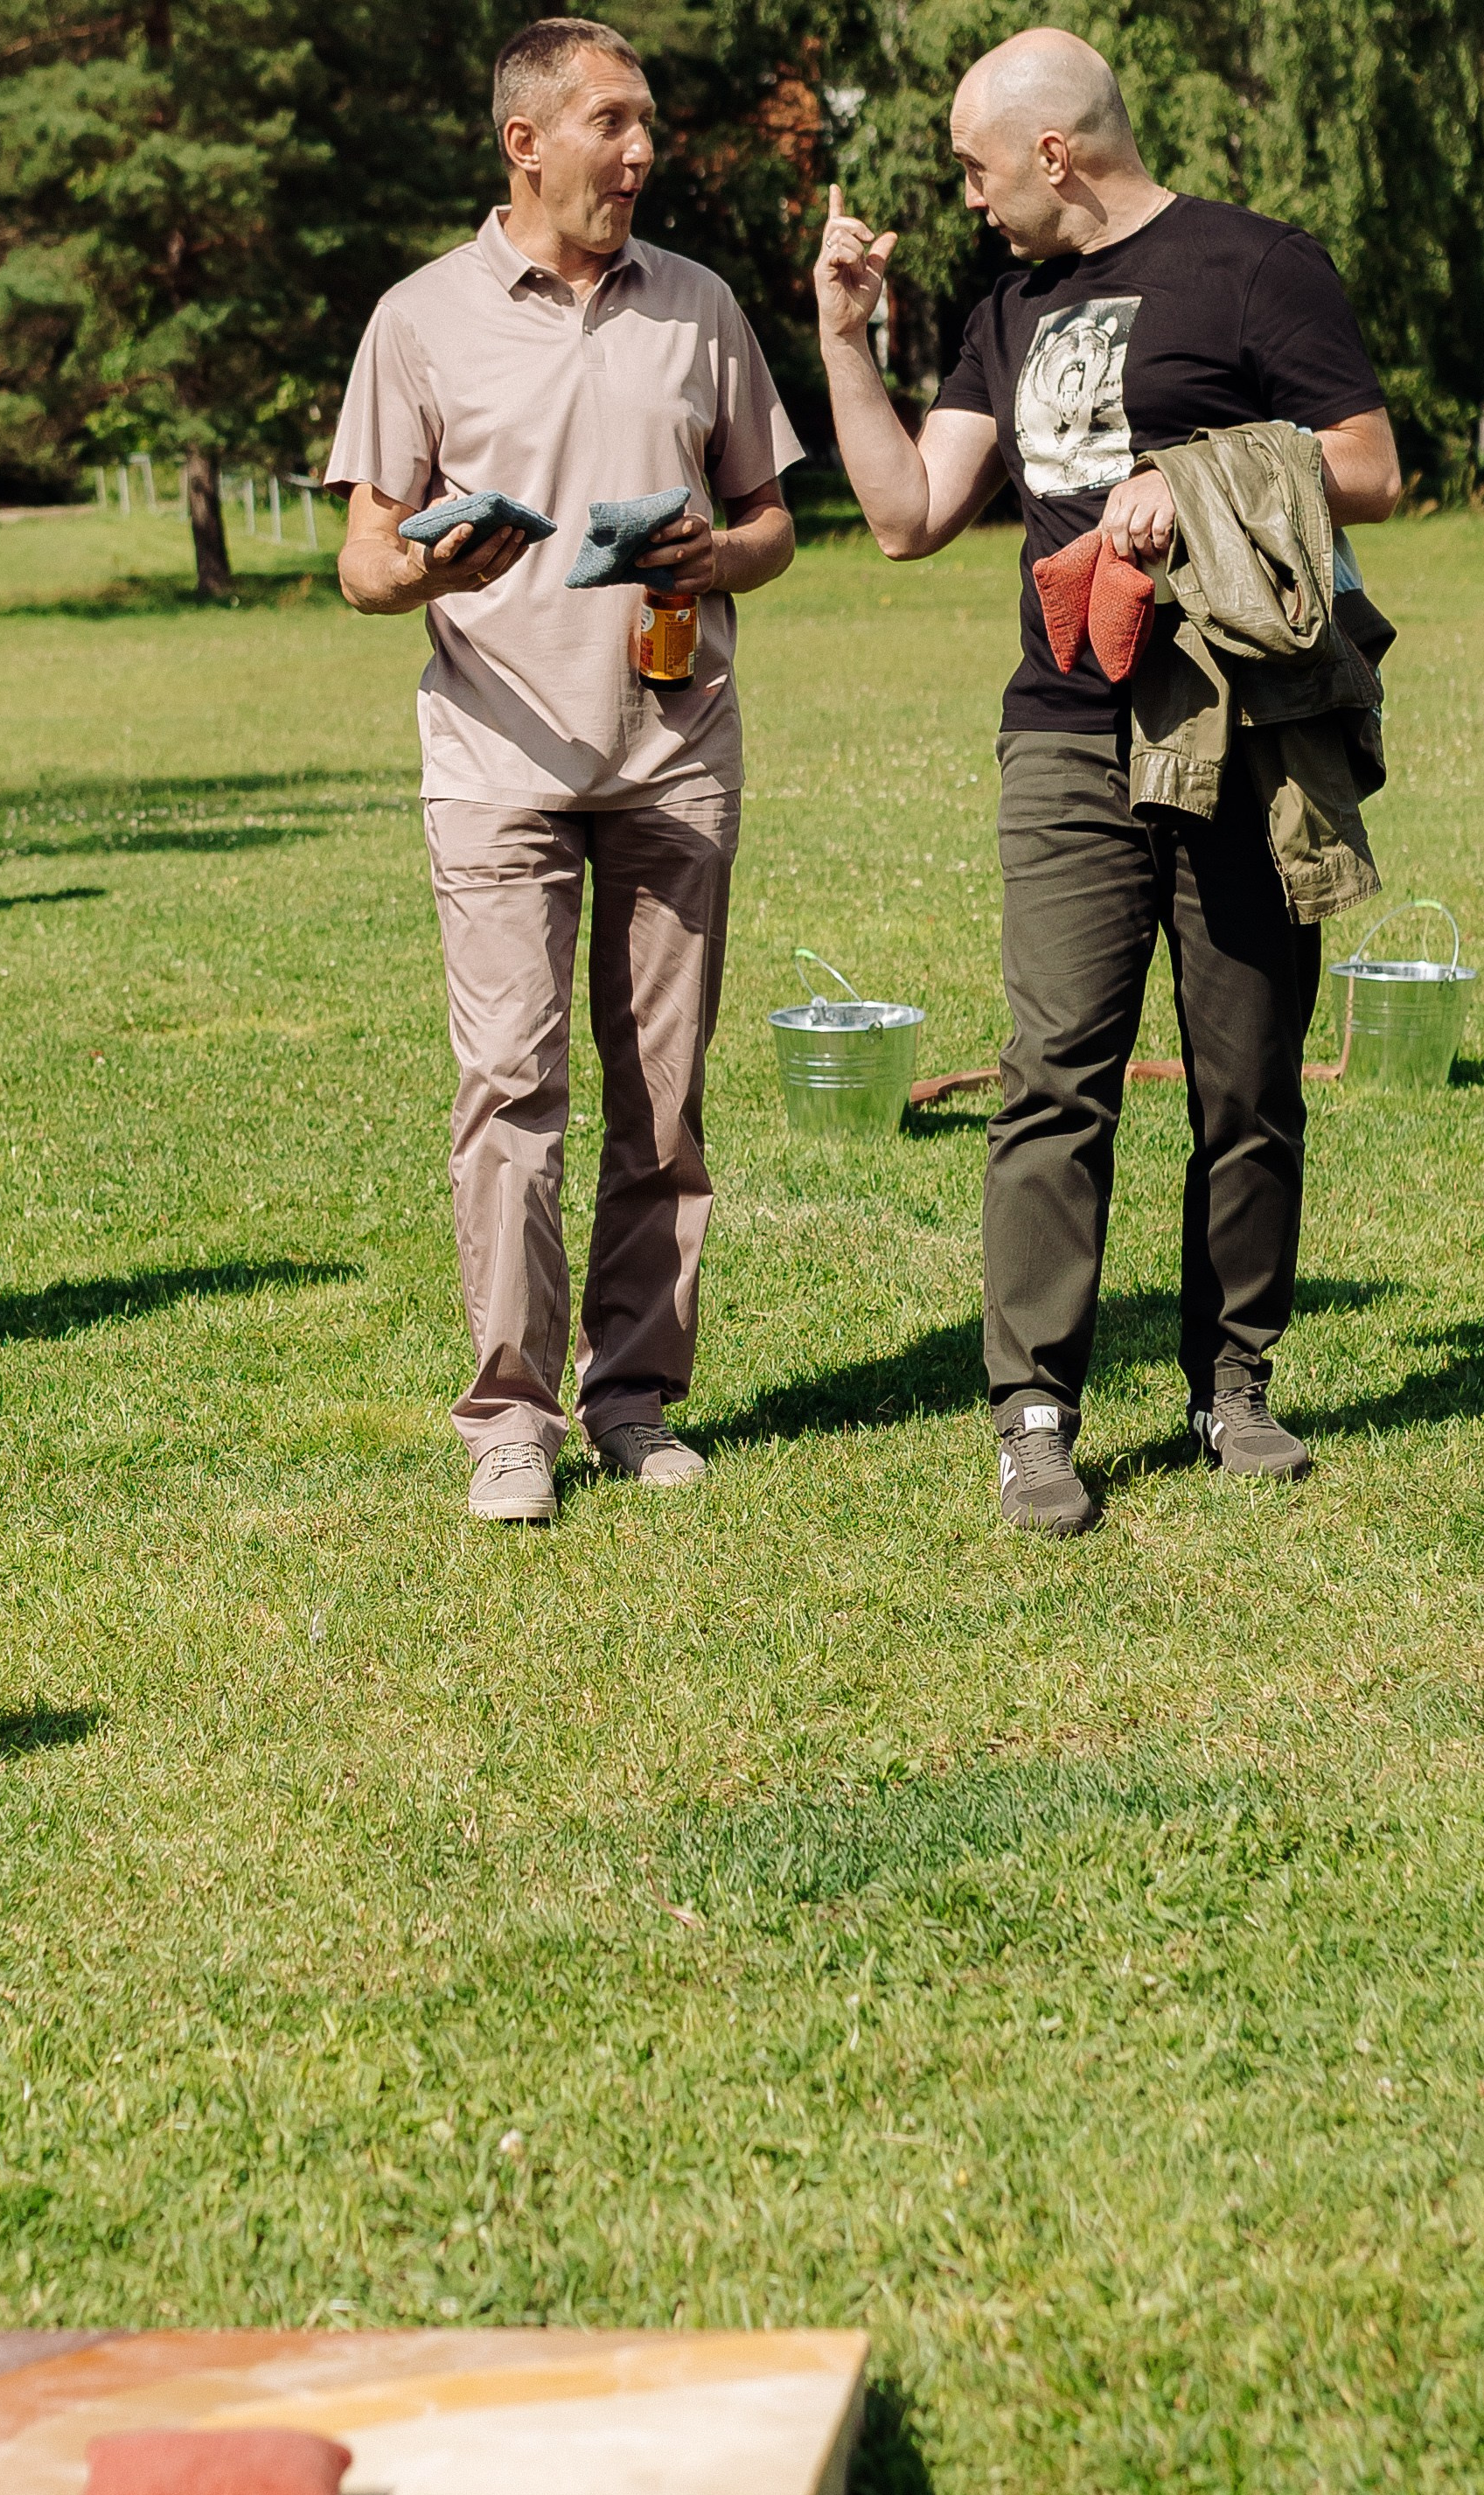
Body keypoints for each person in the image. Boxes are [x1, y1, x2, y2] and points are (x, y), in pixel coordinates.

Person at [816, 30, 1401, 1533]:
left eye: (973, 164)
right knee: (1054, 1071)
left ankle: (1234, 1381)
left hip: (1244, 725)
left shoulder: (1255, 267)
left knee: (1245, 1074)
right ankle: (1033, 1408)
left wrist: (1200, 471)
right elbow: (905, 516)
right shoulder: (998, 308)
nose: (965, 195)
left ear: (1054, 152)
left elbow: (1371, 466)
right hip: (1064, 725)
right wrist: (839, 339)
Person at [324, 16, 802, 1524]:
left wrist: (714, 553)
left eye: (647, 121)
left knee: (660, 1101)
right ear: (524, 142)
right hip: (495, 759)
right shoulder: (418, 317)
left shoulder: (701, 305)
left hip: (672, 752)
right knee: (508, 1087)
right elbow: (358, 562)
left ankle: (634, 1400)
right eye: (611, 121)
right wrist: (422, 566)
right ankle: (510, 1420)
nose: (642, 148)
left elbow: (772, 524)